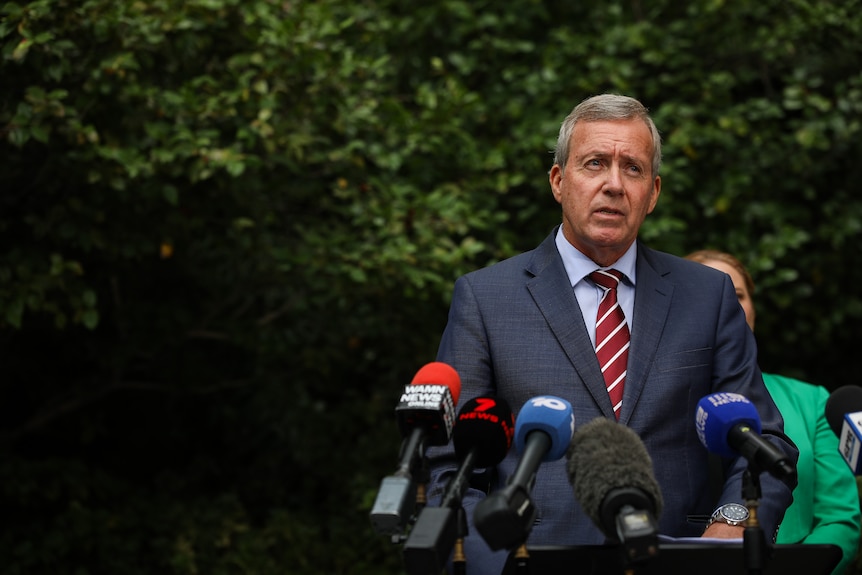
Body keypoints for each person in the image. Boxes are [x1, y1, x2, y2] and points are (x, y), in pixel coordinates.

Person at [426, 94, 798, 574]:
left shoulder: (708, 296)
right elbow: (449, 468)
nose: (614, 185)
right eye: (595, 163)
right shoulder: (486, 299)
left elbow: (762, 439)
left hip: (681, 562)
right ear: (559, 181)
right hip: (533, 562)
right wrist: (492, 564)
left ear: (654, 192)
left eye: (634, 169)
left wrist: (729, 527)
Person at [686, 249, 861, 575]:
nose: (727, 306)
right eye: (710, 294)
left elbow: (840, 518)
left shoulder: (812, 401)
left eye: (737, 295)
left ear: (753, 308)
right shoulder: (652, 401)